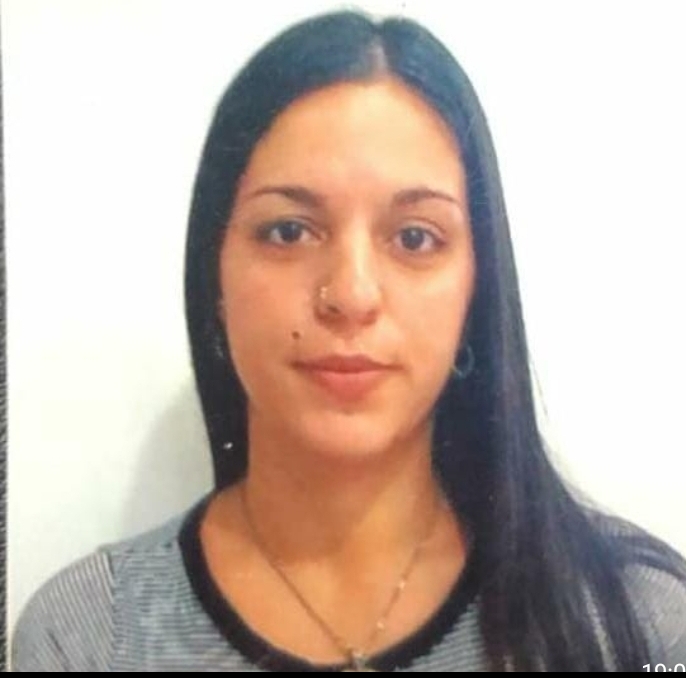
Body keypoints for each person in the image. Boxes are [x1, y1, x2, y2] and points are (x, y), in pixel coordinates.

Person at [11, 10, 686, 672]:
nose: (352, 294)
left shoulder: (639, 623)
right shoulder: (93, 635)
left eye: (415, 237)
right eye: (288, 231)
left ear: (475, 289)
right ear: (214, 275)